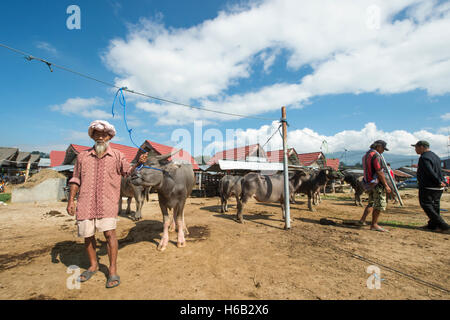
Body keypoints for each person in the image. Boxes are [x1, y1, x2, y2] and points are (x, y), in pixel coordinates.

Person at [67, 120, 148, 288]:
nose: (100, 137)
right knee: (87, 235)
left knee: (110, 234)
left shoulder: (117, 155)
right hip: (85, 202)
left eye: (104, 134)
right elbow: (75, 179)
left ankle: (112, 270)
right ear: (92, 136)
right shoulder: (82, 156)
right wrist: (70, 200)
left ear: (109, 137)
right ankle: (93, 265)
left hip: (108, 202)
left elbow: (128, 171)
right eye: (97, 134)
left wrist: (139, 163)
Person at [412, 140, 449, 233]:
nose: (415, 149)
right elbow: (439, 170)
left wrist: (438, 181)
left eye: (416, 147)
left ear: (422, 147)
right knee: (435, 206)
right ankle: (433, 225)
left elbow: (429, 171)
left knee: (426, 204)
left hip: (429, 186)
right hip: (438, 186)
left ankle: (444, 226)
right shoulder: (435, 156)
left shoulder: (424, 157)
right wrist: (442, 181)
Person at [359, 140, 392, 232]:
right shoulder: (376, 155)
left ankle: (362, 220)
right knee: (379, 204)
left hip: (368, 183)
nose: (383, 151)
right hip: (377, 183)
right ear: (378, 147)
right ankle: (374, 224)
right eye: (383, 149)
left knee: (371, 202)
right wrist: (386, 185)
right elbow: (379, 171)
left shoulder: (365, 156)